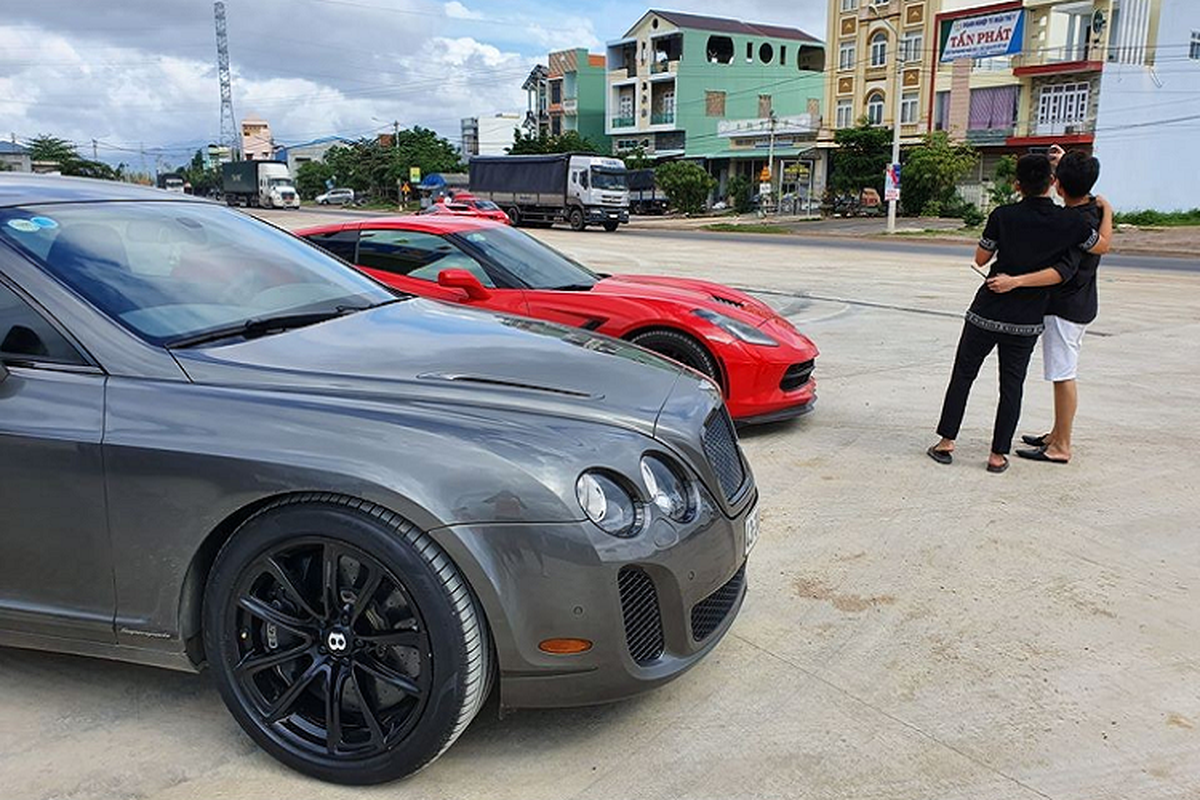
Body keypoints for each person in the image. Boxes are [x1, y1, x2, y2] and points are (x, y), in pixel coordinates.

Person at [927, 153, 1104, 473]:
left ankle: (946, 442)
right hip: (1026, 319)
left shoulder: (1002, 215)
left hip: (987, 310)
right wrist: (1106, 208)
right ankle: (997, 455)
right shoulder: (1072, 223)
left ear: (1016, 184)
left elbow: (981, 258)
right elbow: (1096, 248)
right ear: (1052, 183)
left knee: (963, 375)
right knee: (1012, 386)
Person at [995, 148, 1110, 465]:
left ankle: (1061, 445)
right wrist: (1108, 208)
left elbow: (1063, 269)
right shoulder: (1092, 211)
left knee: (1063, 375)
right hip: (1082, 303)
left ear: (1058, 186)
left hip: (1065, 307)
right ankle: (1056, 433)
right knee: (1063, 372)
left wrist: (1015, 281)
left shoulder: (1070, 222)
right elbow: (1103, 241)